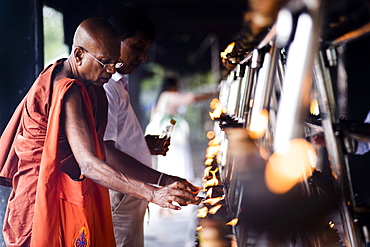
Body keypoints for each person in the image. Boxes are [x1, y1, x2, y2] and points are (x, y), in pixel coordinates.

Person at [0, 17, 198, 247]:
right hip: (43, 197)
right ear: (79, 55)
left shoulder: (87, 85)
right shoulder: (68, 90)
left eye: (114, 63)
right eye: (104, 62)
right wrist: (154, 192)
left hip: (65, 194)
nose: (111, 70)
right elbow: (89, 163)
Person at [104, 7, 199, 247]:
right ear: (113, 41)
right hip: (120, 194)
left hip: (130, 194)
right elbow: (105, 151)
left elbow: (116, 140)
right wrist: (162, 180)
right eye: (137, 47)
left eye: (146, 49)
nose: (143, 57)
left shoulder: (120, 84)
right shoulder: (106, 88)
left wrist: (143, 145)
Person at [146, 76, 218, 181]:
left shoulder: (162, 97)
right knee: (176, 153)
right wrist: (213, 95)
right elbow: (192, 98)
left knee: (169, 156)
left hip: (167, 128)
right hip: (171, 131)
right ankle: (178, 178)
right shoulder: (169, 95)